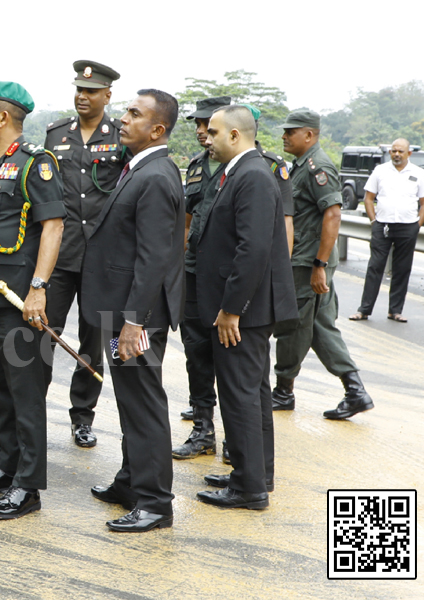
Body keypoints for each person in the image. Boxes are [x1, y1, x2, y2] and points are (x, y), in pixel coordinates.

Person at [0, 76, 65, 520]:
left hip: (18, 300)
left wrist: (38, 289)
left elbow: (54, 226)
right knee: (0, 387)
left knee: (25, 394)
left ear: (3, 116)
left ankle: (29, 486)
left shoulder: (34, 163)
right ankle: (7, 468)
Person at [82, 89, 184, 532]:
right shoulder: (139, 168)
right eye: (126, 111)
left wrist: (134, 321)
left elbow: (154, 256)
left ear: (157, 129)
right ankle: (130, 481)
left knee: (143, 404)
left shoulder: (158, 175)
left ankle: (156, 503)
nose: (123, 119)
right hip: (120, 310)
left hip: (135, 317)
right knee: (129, 401)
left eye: (134, 114)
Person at [194, 105, 297, 510]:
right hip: (248, 305)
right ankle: (255, 473)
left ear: (235, 135)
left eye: (215, 132)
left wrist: (231, 309)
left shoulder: (252, 174)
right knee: (252, 392)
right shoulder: (240, 171)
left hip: (244, 309)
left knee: (239, 393)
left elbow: (252, 248)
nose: (208, 138)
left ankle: (248, 487)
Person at [41, 60, 124, 449]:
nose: (82, 96)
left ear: (107, 95)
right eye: (79, 89)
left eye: (91, 91)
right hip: (60, 255)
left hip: (100, 261)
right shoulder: (56, 134)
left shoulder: (122, 137)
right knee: (42, 333)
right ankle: (30, 409)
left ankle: (82, 417)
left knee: (94, 343)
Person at [273, 109, 374, 421]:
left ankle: (283, 390)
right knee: (318, 326)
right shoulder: (302, 165)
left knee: (294, 325)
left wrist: (318, 264)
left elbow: (333, 214)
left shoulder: (319, 167)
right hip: (305, 258)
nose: (284, 137)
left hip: (308, 261)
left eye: (291, 132)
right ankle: (354, 390)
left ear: (309, 135)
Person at [172, 96, 230, 460]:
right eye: (196, 124)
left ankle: (239, 438)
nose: (200, 131)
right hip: (194, 274)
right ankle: (203, 430)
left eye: (207, 123)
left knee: (234, 360)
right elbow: (187, 220)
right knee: (196, 354)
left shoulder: (252, 167)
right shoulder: (194, 166)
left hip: (228, 279)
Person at [349, 138, 424, 323]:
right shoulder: (380, 171)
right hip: (382, 226)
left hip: (408, 227)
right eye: (394, 151)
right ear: (390, 153)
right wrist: (373, 221)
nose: (397, 154)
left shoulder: (419, 173)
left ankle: (395, 311)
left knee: (402, 269)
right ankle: (364, 310)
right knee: (375, 267)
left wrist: (417, 226)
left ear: (409, 153)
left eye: (401, 151)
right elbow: (369, 198)